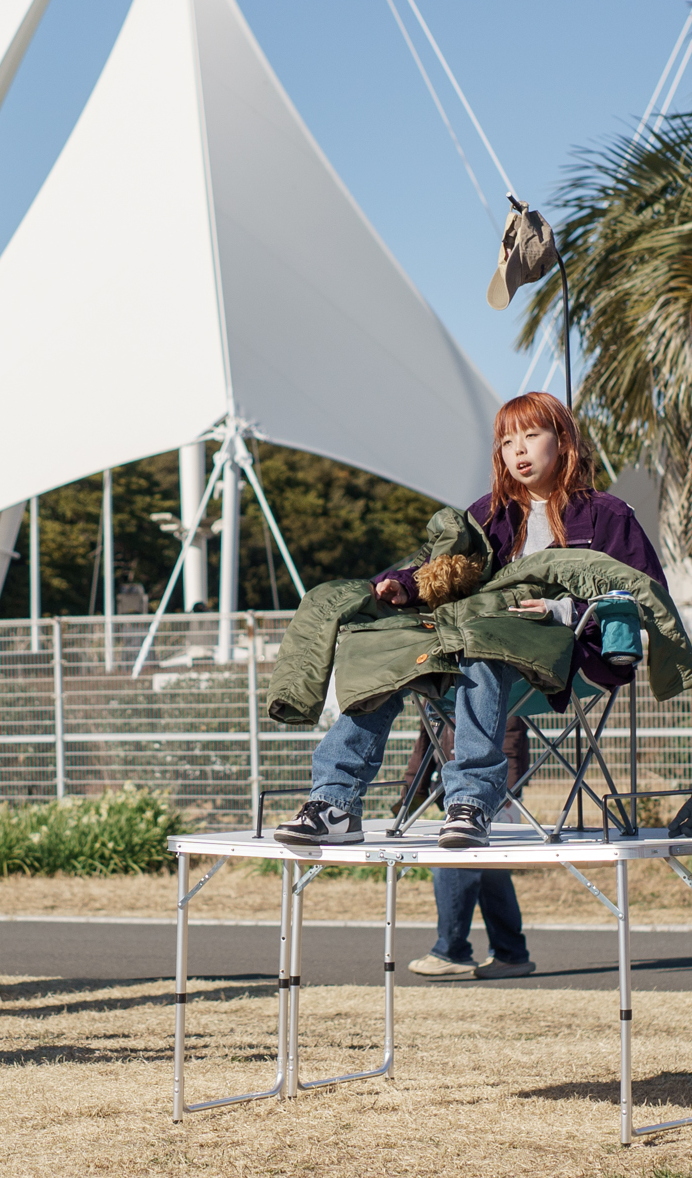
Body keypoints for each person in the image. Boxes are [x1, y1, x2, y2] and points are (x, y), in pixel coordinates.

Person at [275, 391, 661, 850]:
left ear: (562, 441)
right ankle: (334, 802)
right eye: (507, 441)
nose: (518, 450)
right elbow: (439, 564)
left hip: (567, 654)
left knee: (484, 645)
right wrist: (406, 587)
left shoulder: (608, 515)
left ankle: (470, 804)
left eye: (531, 435)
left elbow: (640, 595)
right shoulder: (490, 513)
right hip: (476, 642)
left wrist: (562, 610)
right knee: (384, 650)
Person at [397, 717, 536, 980]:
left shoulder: (486, 688)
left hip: (490, 795)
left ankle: (452, 950)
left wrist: (510, 787)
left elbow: (512, 733)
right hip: (457, 796)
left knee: (453, 859)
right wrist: (412, 789)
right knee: (491, 873)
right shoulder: (432, 695)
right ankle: (510, 952)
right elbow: (425, 742)